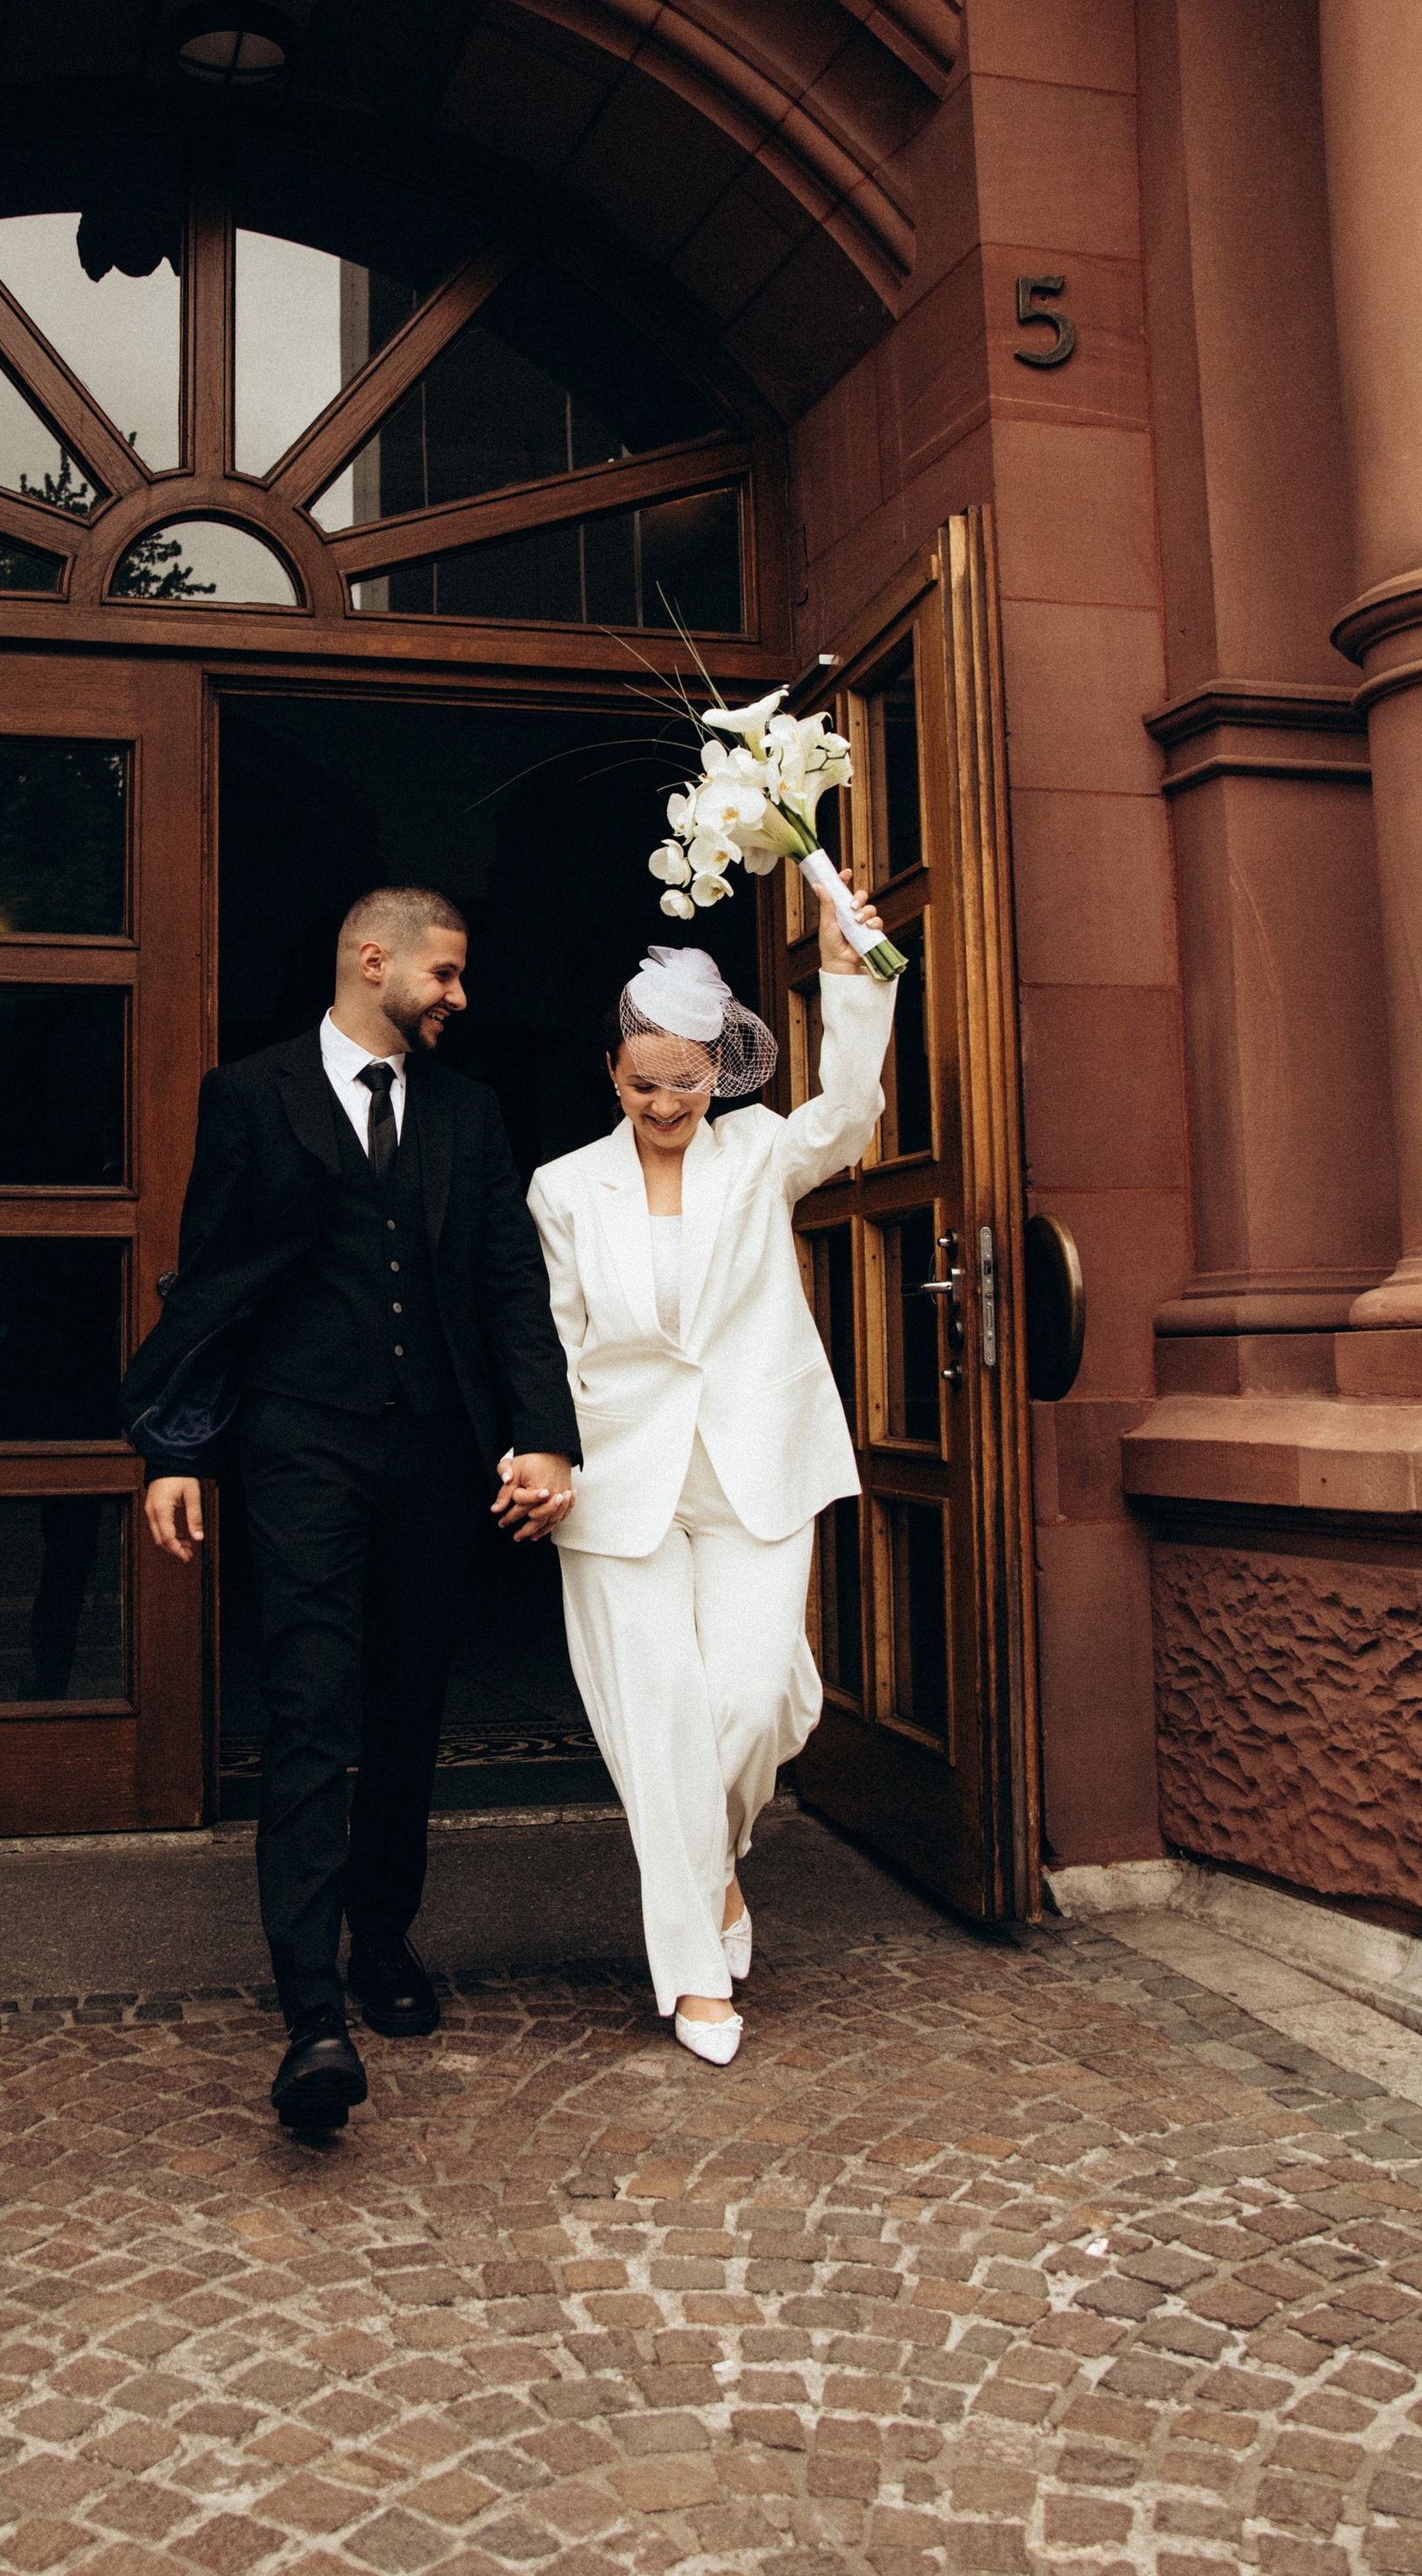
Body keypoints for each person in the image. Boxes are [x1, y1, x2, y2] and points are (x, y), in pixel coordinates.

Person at [128, 886, 577, 2132]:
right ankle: (312, 2008)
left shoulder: (470, 1111)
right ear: (372, 959)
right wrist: (175, 1446)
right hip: (298, 1449)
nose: (459, 997)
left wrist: (540, 1436)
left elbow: (506, 1283)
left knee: (408, 1703)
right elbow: (211, 1281)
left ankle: (383, 1938)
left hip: (435, 1457)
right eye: (445, 973)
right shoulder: (249, 1094)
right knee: (308, 1705)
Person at [527, 881, 896, 2064]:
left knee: (755, 1700)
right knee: (665, 1724)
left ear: (719, 1066)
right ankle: (693, 1976)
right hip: (621, 1478)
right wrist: (537, 1456)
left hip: (755, 1461)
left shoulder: (759, 1154)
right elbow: (559, 1338)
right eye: (644, 1082)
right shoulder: (562, 1188)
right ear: (612, 1069)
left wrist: (852, 976)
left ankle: (720, 1863)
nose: (667, 1102)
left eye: (688, 1081)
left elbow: (850, 1114)